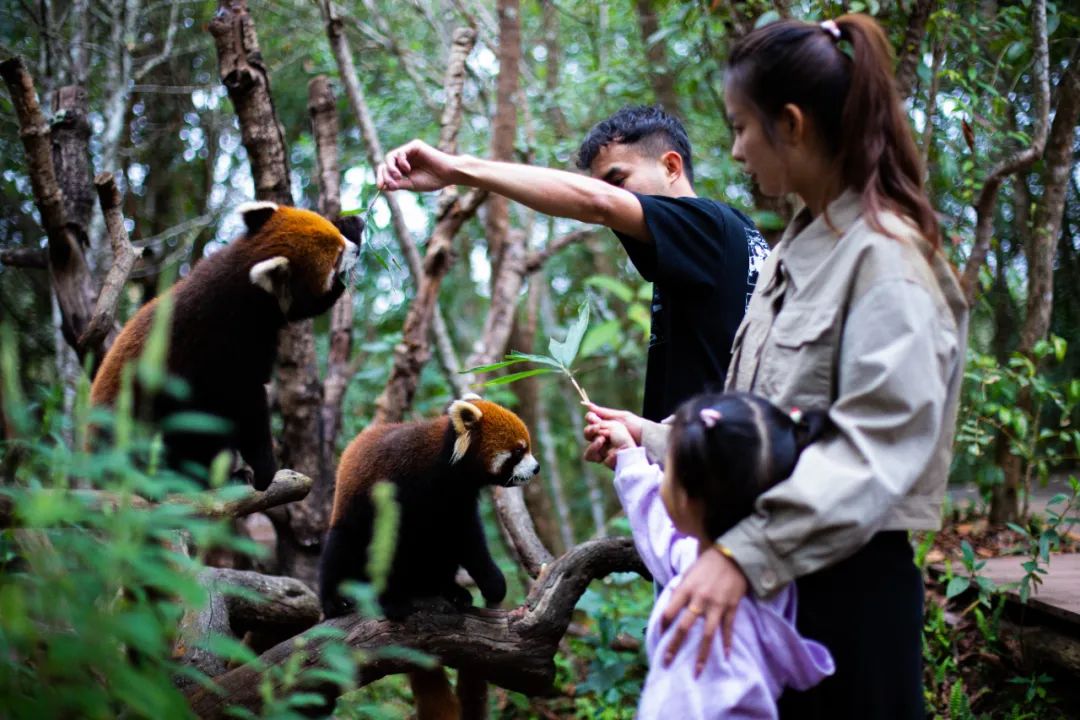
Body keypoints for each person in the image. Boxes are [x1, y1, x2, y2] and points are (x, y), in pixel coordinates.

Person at [584, 14, 968, 719]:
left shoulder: (887, 260)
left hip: (844, 597)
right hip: (773, 589)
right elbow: (771, 423)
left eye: (741, 127)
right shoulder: (798, 247)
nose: (734, 152)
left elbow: (875, 442)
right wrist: (648, 437)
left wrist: (739, 558)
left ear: (790, 124)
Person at [376, 105, 769, 422]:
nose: (611, 197)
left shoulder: (704, 225)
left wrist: (456, 169)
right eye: (603, 184)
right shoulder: (728, 233)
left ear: (671, 166)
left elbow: (596, 205)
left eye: (617, 179)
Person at [593, 391, 833, 719]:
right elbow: (667, 538)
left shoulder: (713, 621)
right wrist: (628, 456)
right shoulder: (719, 572)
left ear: (688, 500)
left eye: (669, 469)